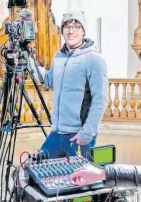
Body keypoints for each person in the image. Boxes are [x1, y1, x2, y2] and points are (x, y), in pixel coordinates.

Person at [38, 11, 108, 159]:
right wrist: (29, 63)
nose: (71, 31)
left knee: (78, 179)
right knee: (38, 170)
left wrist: (87, 133)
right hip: (57, 132)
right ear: (62, 31)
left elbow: (100, 100)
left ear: (83, 31)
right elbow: (49, 81)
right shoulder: (59, 56)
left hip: (79, 133)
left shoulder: (94, 59)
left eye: (76, 26)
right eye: (67, 26)